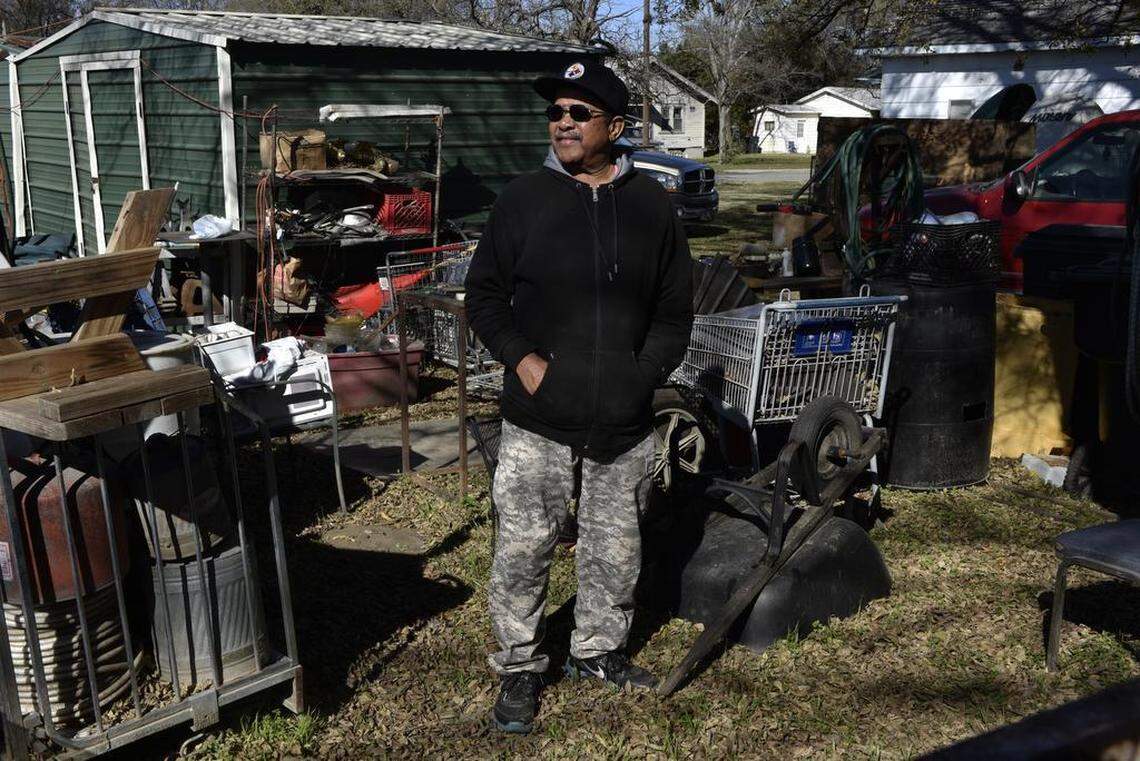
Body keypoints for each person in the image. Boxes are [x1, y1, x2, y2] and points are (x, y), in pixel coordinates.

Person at [465, 60, 694, 734]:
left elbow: (675, 311)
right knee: (524, 546)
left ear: (615, 128)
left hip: (624, 418)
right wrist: (525, 361)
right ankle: (518, 665)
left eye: (578, 112)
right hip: (539, 417)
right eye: (556, 112)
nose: (562, 122)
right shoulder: (523, 200)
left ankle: (598, 651)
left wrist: (640, 373)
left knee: (615, 547)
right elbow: (483, 296)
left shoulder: (653, 207)